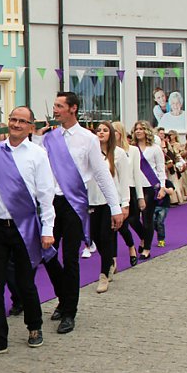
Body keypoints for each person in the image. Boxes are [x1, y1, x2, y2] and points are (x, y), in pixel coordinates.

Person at [0, 107, 55, 356]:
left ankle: (34, 326)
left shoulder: (38, 154)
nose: (16, 124)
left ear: (30, 126)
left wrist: (47, 229)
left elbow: (45, 194)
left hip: (25, 227)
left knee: (25, 283)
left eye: (22, 121)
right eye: (13, 119)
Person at [39, 92, 122, 334]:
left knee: (70, 258)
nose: (54, 110)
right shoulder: (48, 138)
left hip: (74, 204)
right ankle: (64, 296)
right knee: (47, 254)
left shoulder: (88, 139)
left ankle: (69, 311)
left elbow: (101, 174)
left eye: (59, 106)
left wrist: (115, 206)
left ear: (73, 109)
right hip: (50, 203)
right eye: (54, 105)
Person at [89, 122, 131, 294]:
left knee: (106, 237)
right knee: (94, 236)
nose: (101, 133)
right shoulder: (91, 153)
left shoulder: (119, 154)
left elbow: (124, 181)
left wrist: (124, 204)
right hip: (92, 201)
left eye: (105, 130)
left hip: (110, 203)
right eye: (98, 130)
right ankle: (109, 262)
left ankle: (103, 275)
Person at [128, 121, 167, 260]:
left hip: (149, 186)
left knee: (147, 218)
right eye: (136, 129)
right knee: (132, 218)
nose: (138, 131)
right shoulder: (131, 148)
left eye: (141, 129)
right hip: (133, 185)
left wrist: (162, 186)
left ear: (146, 131)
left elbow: (161, 169)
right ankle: (144, 237)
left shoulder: (155, 148)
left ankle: (146, 248)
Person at [112, 121, 145, 267]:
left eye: (115, 131)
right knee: (112, 227)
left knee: (125, 224)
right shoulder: (105, 150)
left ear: (121, 133)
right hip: (112, 191)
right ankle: (112, 259)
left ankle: (132, 247)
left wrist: (140, 197)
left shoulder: (132, 150)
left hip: (128, 190)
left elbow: (136, 174)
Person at [153, 179, 176, 248]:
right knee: (152, 222)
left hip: (163, 205)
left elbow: (171, 192)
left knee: (160, 222)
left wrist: (163, 188)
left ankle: (161, 239)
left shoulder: (167, 182)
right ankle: (160, 231)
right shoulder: (152, 181)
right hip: (153, 205)